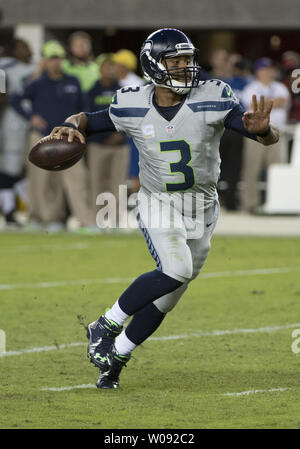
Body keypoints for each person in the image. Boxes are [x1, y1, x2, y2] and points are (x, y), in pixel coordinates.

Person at [49, 28, 280, 389]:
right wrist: (68, 125)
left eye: (188, 59)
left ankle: (116, 358)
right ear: (154, 65)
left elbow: (257, 131)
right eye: (176, 61)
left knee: (169, 297)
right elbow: (89, 119)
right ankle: (106, 324)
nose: (186, 67)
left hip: (202, 207)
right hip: (158, 201)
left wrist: (264, 132)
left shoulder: (213, 95)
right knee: (176, 268)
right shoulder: (133, 102)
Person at [10, 40, 93, 231]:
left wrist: (81, 126)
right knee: (42, 181)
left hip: (68, 137)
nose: (56, 62)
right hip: (42, 137)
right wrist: (31, 117)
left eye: (59, 58)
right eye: (52, 58)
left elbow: (85, 107)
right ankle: (45, 219)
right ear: (45, 61)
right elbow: (15, 99)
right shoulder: (37, 83)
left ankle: (86, 220)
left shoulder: (73, 81)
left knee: (78, 179)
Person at [240, 57, 290, 213]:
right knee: (251, 169)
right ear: (258, 72)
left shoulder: (280, 86)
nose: (268, 72)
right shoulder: (251, 87)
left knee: (276, 170)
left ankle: (277, 203)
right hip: (254, 134)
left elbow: (283, 101)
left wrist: (266, 103)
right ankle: (250, 204)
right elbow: (251, 107)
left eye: (270, 69)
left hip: (275, 133)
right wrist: (272, 102)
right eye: (265, 69)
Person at [85, 53, 129, 225]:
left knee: (118, 184)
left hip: (119, 144)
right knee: (96, 182)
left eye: (112, 67)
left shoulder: (124, 92)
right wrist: (102, 136)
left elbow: (129, 116)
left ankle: (117, 219)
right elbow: (87, 117)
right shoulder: (90, 92)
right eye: (106, 67)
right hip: (97, 144)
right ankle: (98, 220)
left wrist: (120, 134)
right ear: (100, 69)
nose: (109, 70)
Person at [0, 38, 36, 227]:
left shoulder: (39, 66)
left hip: (36, 121)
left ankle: (31, 208)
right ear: (13, 51)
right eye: (23, 46)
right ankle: (9, 212)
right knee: (10, 167)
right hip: (14, 121)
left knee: (29, 167)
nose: (28, 49)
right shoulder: (5, 67)